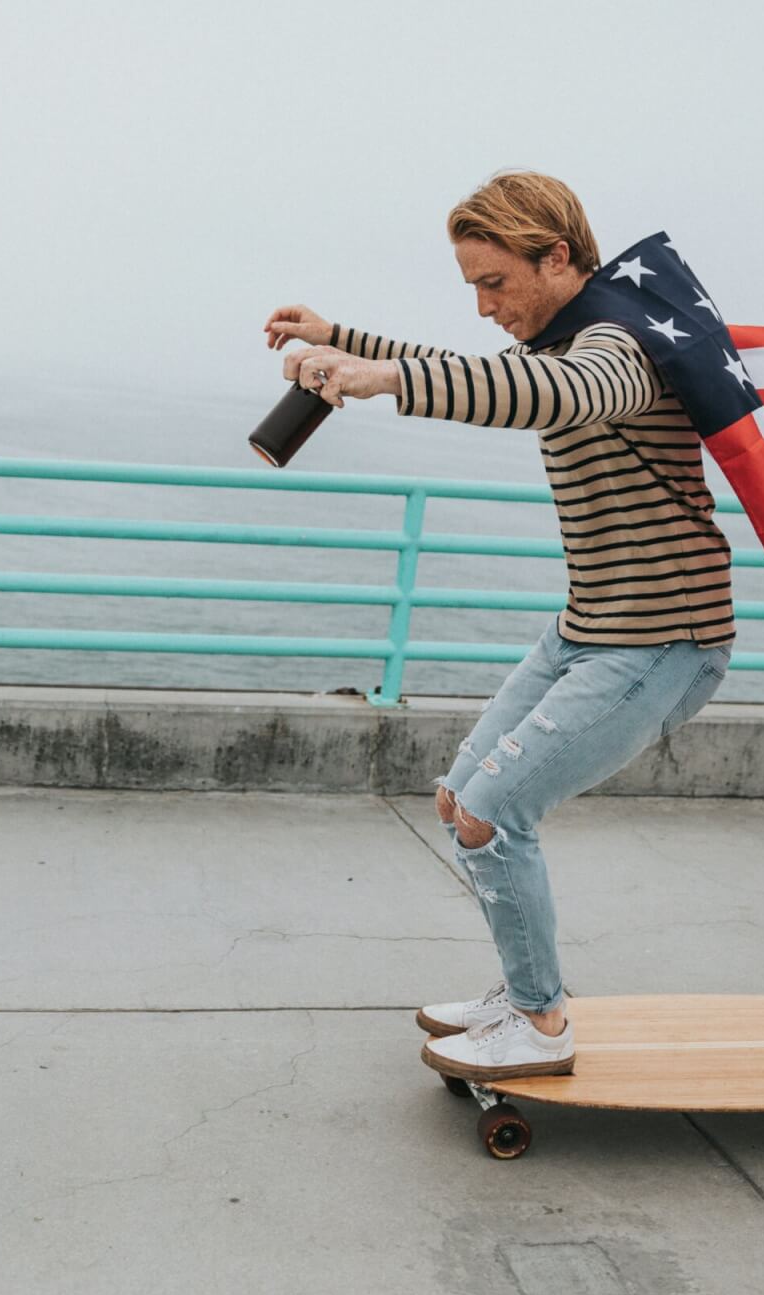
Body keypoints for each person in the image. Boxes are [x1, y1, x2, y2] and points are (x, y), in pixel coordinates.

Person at [263, 170, 735, 1081]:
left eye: (495, 282)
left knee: (491, 813)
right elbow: (497, 373)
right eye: (472, 286)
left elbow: (550, 395)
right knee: (459, 799)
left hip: (663, 641)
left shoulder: (619, 346)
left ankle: (541, 1024)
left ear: (556, 257)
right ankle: (525, 990)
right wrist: (342, 339)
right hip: (588, 628)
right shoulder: (565, 336)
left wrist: (384, 377)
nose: (483, 306)